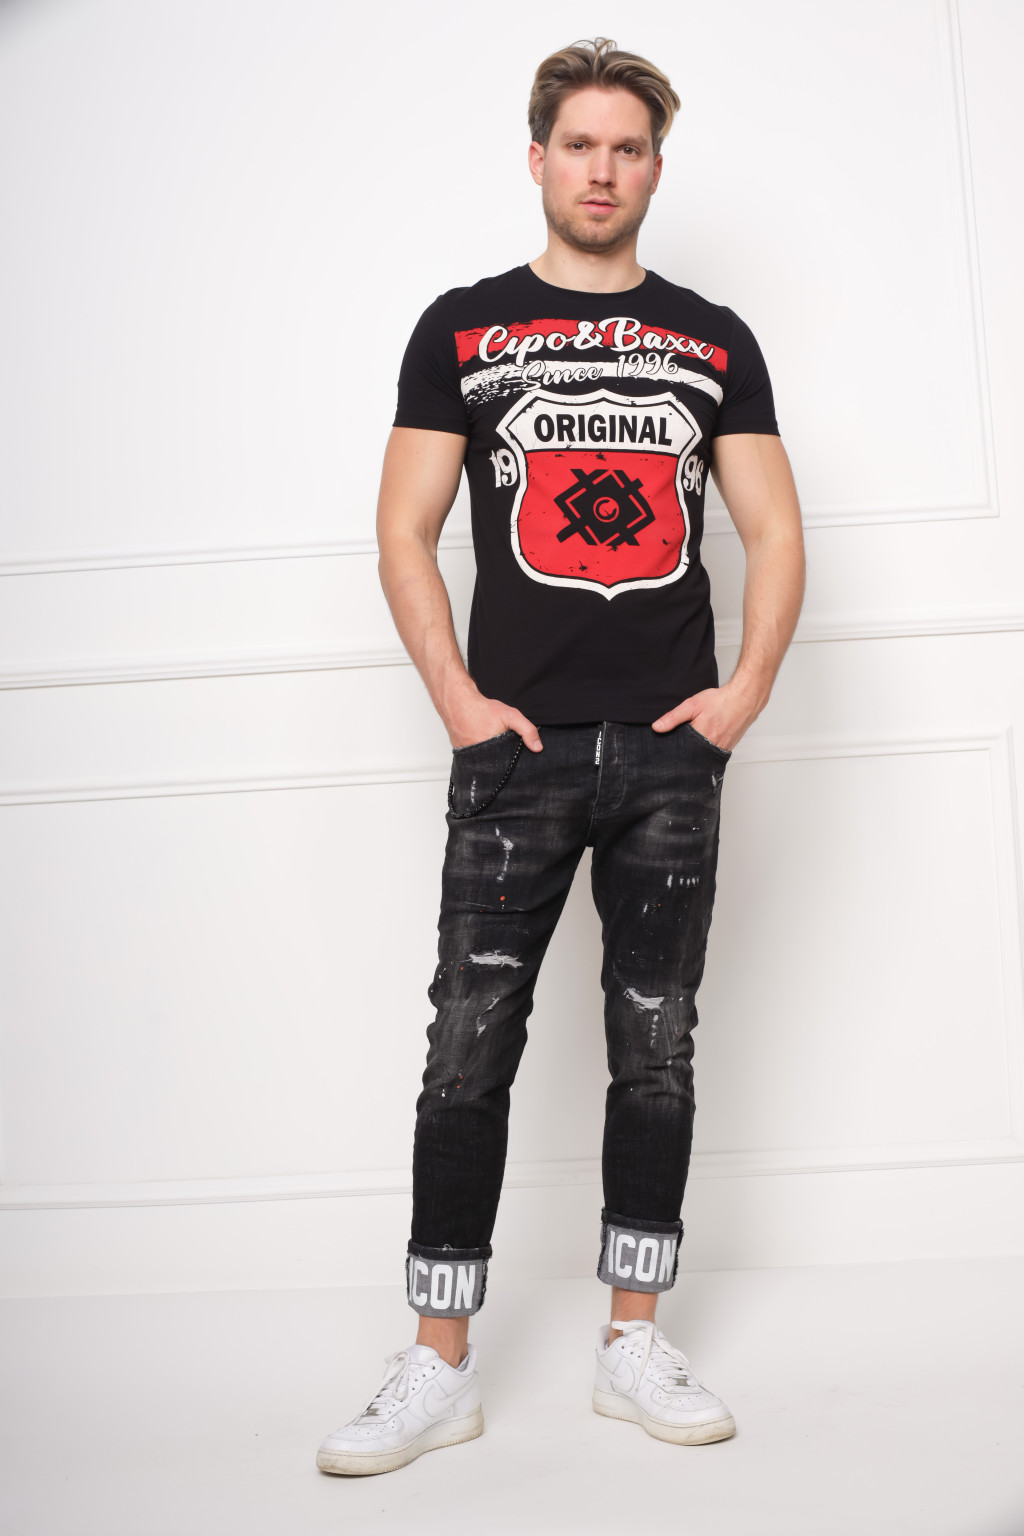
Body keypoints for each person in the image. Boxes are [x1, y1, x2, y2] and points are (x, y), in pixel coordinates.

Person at [317, 36, 805, 1477]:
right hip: (514, 750)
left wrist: (744, 693)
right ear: (537, 159)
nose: (602, 170)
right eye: (579, 145)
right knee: (468, 1047)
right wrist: (457, 698)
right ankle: (438, 1363)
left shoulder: (714, 340)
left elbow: (775, 528)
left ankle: (630, 1341)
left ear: (656, 166)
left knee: (655, 1043)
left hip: (668, 751)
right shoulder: (463, 330)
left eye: (628, 148)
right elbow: (404, 527)